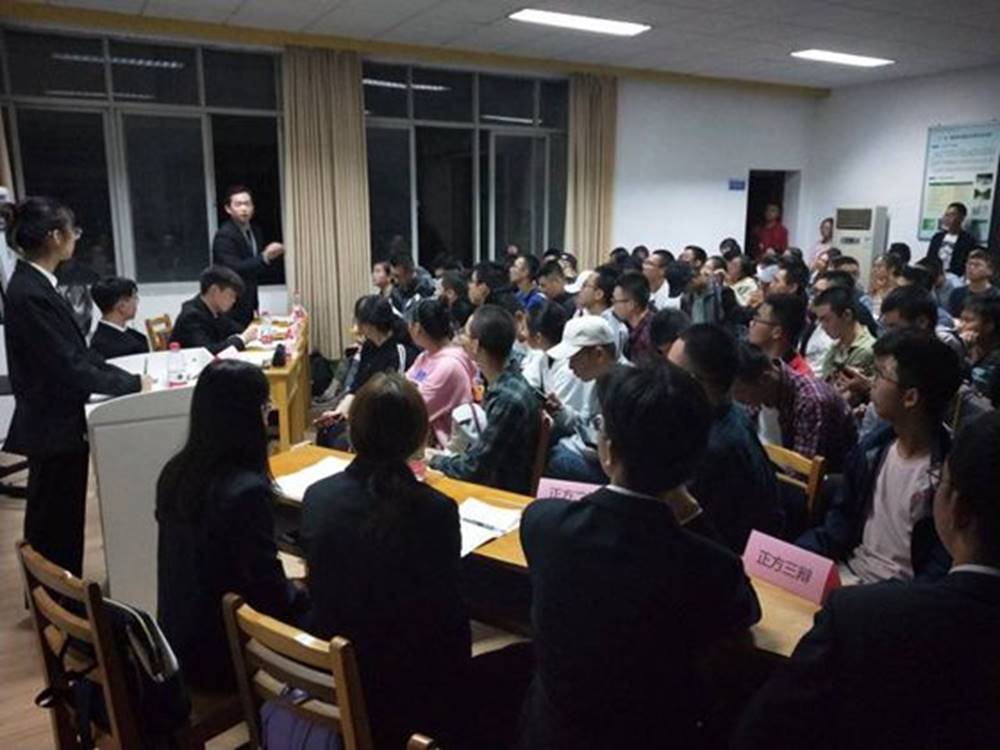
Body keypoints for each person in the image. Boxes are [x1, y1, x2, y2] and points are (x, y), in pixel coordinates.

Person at [519, 361, 762, 750]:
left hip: (551, 736)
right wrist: (689, 507)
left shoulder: (543, 525)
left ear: (609, 450)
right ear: (693, 462)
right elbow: (746, 609)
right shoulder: (711, 568)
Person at [734, 410, 1000, 750]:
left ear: (957, 509)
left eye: (942, 481)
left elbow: (762, 732)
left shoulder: (861, 617)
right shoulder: (875, 448)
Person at [302, 373, 471, 749]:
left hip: (331, 672)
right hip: (405, 690)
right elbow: (450, 621)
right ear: (418, 436)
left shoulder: (318, 497)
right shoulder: (435, 510)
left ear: (354, 429)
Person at [2, 198, 149, 577]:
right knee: (54, 523)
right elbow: (69, 364)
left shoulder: (38, 284)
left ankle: (61, 593)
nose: (76, 238)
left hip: (57, 421)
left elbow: (79, 354)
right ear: (55, 236)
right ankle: (57, 598)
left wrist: (121, 377)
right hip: (52, 424)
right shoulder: (29, 291)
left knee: (61, 520)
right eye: (73, 231)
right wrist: (131, 384)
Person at [156, 359, 305, 689]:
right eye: (265, 407)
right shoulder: (245, 491)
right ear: (246, 417)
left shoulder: (175, 471)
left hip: (176, 641)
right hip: (222, 656)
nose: (267, 416)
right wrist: (306, 593)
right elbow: (269, 593)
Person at [797, 331, 961, 583]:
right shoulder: (872, 450)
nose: (871, 383)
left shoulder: (950, 475)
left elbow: (939, 566)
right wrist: (796, 554)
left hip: (902, 595)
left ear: (910, 397)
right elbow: (839, 525)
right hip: (850, 572)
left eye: (880, 375)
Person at [669, 324, 784, 552]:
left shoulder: (713, 447)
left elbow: (689, 527)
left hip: (733, 556)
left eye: (671, 373)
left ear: (695, 382)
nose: (662, 379)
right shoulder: (727, 412)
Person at [428, 305, 540, 494]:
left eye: (465, 333)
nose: (460, 338)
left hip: (501, 494)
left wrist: (434, 460)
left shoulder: (507, 399)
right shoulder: (506, 380)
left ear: (476, 345)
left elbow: (475, 470)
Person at [733, 343, 857, 472]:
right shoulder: (759, 394)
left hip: (827, 477)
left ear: (764, 379)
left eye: (740, 392)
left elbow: (802, 472)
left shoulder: (810, 400)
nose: (737, 399)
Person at [315, 295, 415, 443]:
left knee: (340, 440)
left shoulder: (399, 352)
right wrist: (340, 411)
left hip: (385, 419)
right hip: (366, 411)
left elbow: (390, 398)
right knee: (326, 430)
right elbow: (358, 385)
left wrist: (356, 415)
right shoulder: (369, 346)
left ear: (369, 325)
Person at [543, 316, 628, 484]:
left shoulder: (625, 388)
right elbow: (588, 423)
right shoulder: (601, 380)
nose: (570, 366)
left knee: (557, 459)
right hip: (600, 457)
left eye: (574, 358)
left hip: (617, 472)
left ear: (598, 354)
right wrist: (561, 411)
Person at [405, 299, 476, 448]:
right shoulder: (425, 356)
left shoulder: (449, 365)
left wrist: (412, 389)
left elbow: (413, 409)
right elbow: (402, 389)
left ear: (417, 328)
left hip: (445, 449)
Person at [211, 185, 285, 327]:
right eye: (238, 204)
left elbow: (255, 267)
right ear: (228, 209)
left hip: (250, 302)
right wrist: (265, 257)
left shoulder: (255, 231)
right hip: (230, 305)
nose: (244, 208)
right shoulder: (224, 235)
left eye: (247, 204)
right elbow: (234, 269)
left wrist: (271, 258)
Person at [170, 265, 259, 355]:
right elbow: (208, 352)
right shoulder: (191, 317)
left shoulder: (216, 312)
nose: (234, 300)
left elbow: (236, 329)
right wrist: (242, 339)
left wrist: (253, 332)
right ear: (214, 290)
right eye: (231, 295)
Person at [813, 285, 876, 382]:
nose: (823, 326)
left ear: (847, 315)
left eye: (826, 320)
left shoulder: (866, 350)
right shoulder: (837, 345)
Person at [749, 293, 813, 376]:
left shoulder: (800, 376)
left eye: (757, 320)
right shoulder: (749, 357)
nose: (751, 324)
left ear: (777, 332)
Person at [89, 276, 149, 359]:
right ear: (122, 306)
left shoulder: (133, 336)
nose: (136, 303)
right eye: (134, 298)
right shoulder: (107, 346)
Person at [574, 263, 628, 355]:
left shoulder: (610, 326)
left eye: (585, 285)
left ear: (598, 294)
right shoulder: (586, 317)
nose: (580, 290)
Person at [960, 295, 1000, 404]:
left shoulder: (996, 360)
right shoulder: (966, 348)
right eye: (961, 319)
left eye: (967, 321)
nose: (960, 326)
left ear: (989, 326)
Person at [924, 201, 978, 277]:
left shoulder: (968, 240)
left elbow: (965, 264)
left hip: (955, 277)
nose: (947, 218)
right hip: (935, 275)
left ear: (961, 218)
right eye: (946, 215)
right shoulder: (937, 237)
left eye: (952, 215)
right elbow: (929, 259)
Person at [612, 271, 655, 364]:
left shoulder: (649, 335)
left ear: (632, 304)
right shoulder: (628, 327)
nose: (613, 307)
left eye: (615, 301)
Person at [949, 247, 999, 318]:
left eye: (977, 265)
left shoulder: (996, 297)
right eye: (969, 264)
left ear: (990, 270)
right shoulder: (957, 293)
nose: (971, 267)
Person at [389, 251, 435, 315]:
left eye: (397, 276)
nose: (395, 281)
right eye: (392, 275)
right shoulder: (396, 293)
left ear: (409, 273)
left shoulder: (428, 289)